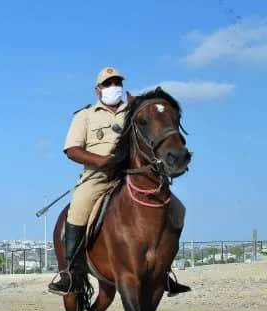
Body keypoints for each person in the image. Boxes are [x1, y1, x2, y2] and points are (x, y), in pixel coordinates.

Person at [48, 67, 190, 296]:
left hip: (131, 174)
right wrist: (101, 160)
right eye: (108, 83)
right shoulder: (85, 115)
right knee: (78, 209)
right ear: (98, 89)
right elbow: (72, 150)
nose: (114, 87)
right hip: (98, 176)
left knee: (178, 209)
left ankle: (164, 271)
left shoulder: (134, 112)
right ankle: (72, 274)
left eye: (117, 83)